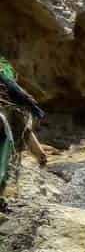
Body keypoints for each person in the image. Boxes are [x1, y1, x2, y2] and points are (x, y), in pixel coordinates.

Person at [0, 56, 48, 192]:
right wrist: (31, 105)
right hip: (12, 105)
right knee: (23, 125)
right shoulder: (4, 68)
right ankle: (41, 157)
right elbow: (12, 87)